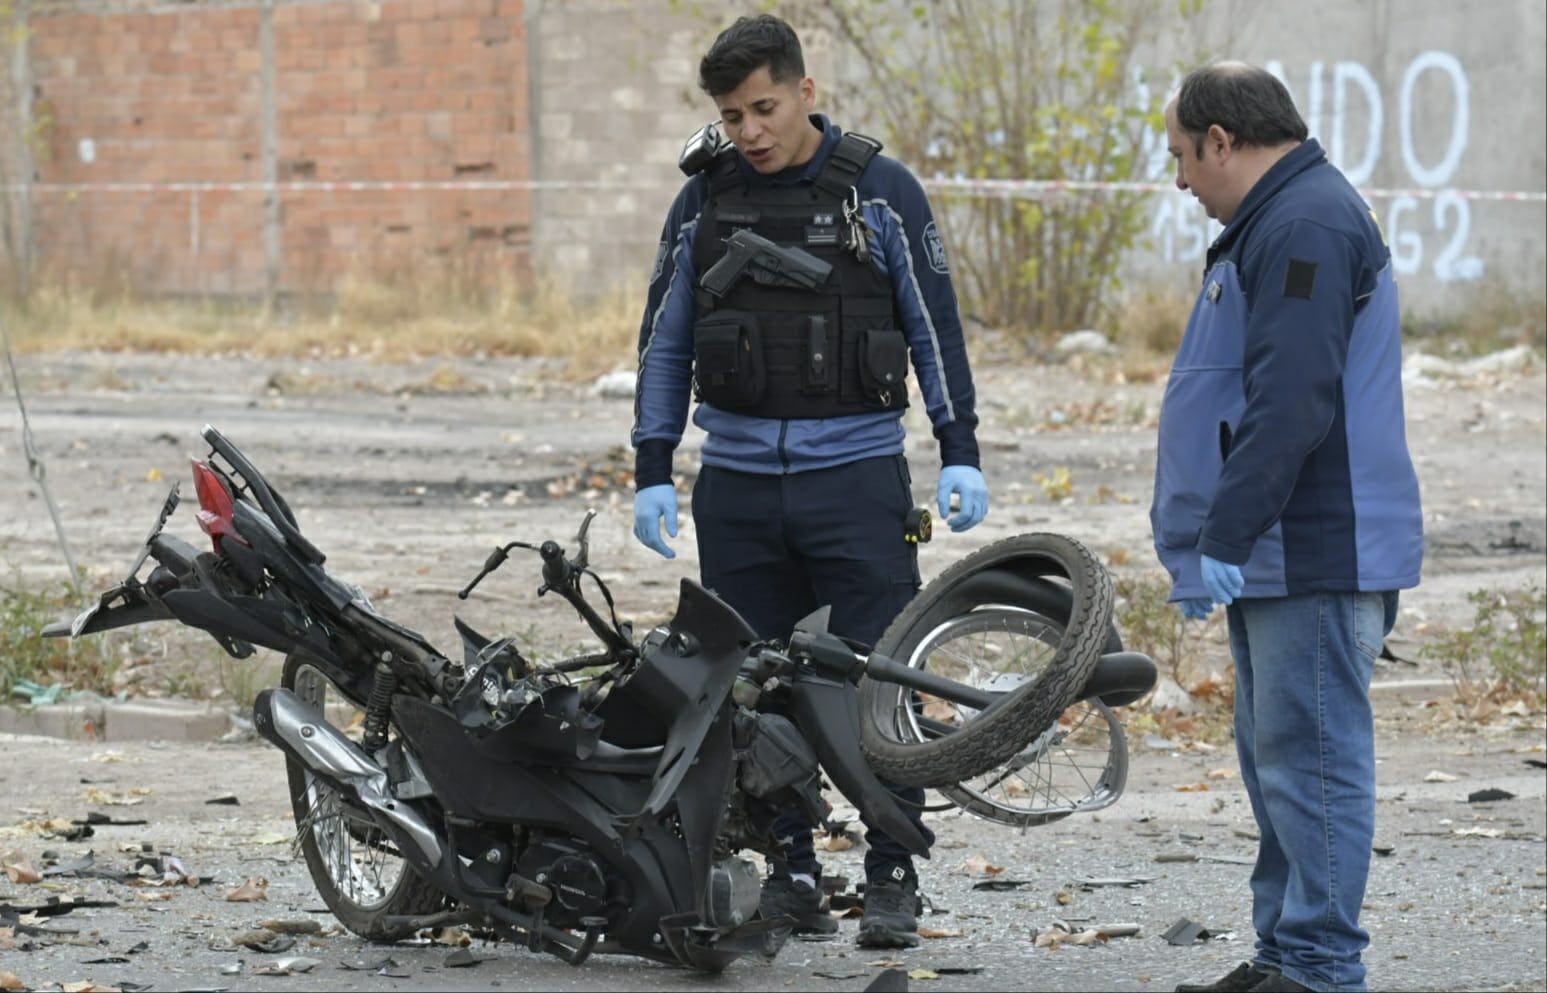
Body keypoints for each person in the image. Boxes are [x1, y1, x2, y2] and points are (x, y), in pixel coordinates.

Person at [628, 13, 989, 950]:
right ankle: (791, 871)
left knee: (877, 680)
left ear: (805, 91)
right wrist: (652, 467)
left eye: (764, 107)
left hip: (856, 480)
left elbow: (932, 328)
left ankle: (891, 872)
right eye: (732, 113)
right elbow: (664, 342)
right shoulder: (703, 202)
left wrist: (959, 450)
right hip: (738, 488)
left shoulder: (879, 191)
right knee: (748, 688)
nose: (750, 129)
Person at [1150, 63, 1423, 993]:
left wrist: (1222, 535)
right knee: (1278, 769)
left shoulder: (1304, 223)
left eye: (1184, 156)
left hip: (1312, 543)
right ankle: (1283, 954)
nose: (1181, 178)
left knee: (1309, 767)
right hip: (1278, 546)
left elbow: (1292, 399)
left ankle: (1316, 967)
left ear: (1223, 142)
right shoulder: (1274, 220)